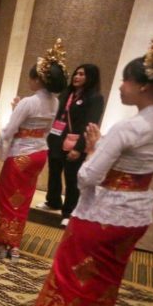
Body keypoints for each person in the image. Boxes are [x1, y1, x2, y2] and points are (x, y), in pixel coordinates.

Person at [28, 52, 153, 306]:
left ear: (143, 85)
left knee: (71, 269)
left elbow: (87, 177)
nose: (122, 86)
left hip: (102, 212)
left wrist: (94, 149)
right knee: (104, 278)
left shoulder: (129, 128)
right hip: (136, 213)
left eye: (126, 79)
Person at [0, 39, 67, 260]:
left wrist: (2, 149)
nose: (29, 80)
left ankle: (3, 241)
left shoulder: (29, 101)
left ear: (38, 79)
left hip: (20, 154)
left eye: (31, 77)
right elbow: (45, 129)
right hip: (39, 154)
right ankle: (13, 243)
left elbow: (9, 130)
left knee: (7, 197)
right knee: (22, 199)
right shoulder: (54, 103)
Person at [36, 64, 104, 226]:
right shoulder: (66, 93)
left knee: (72, 179)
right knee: (54, 172)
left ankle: (69, 211)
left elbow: (90, 123)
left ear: (90, 78)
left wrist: (79, 148)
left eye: (81, 74)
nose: (77, 77)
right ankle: (53, 201)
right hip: (57, 139)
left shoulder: (95, 98)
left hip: (75, 143)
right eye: (76, 73)